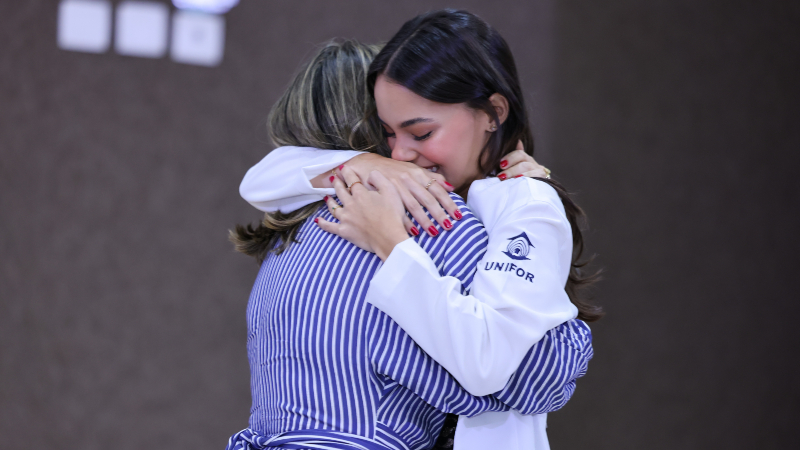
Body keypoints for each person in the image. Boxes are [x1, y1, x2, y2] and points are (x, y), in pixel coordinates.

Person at [237, 10, 602, 450]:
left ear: (493, 112)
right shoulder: (427, 215)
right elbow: (537, 376)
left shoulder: (291, 237)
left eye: (419, 132)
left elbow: (259, 180)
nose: (402, 156)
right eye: (389, 135)